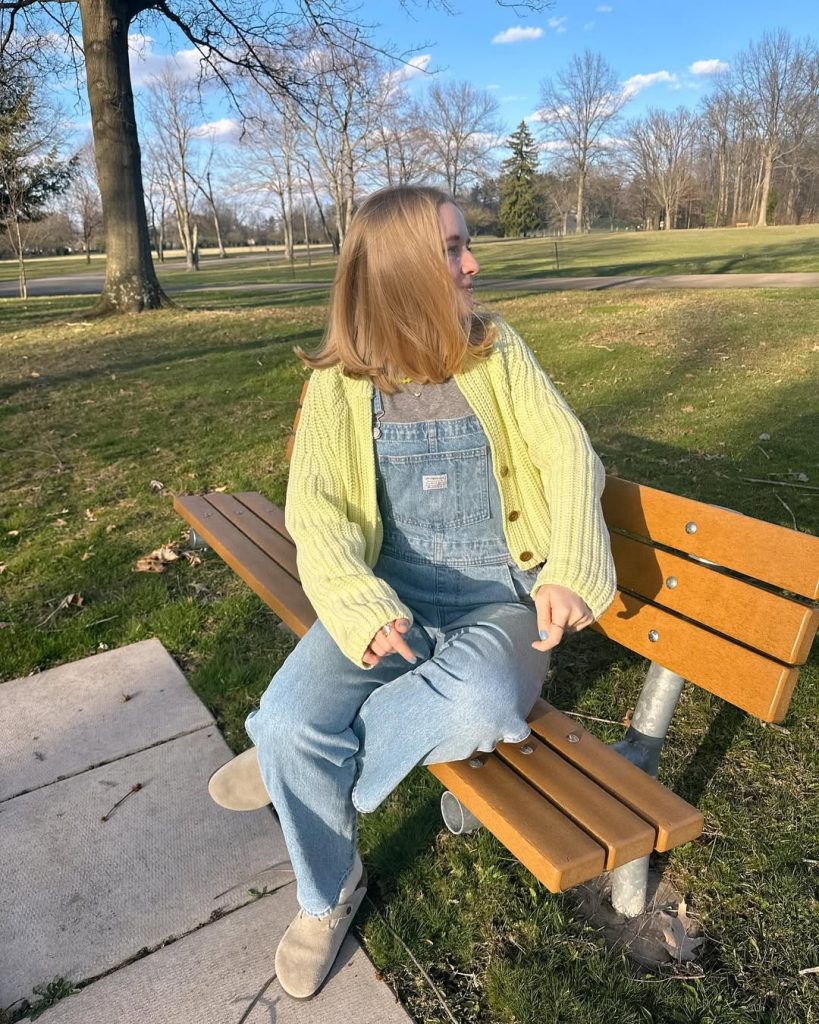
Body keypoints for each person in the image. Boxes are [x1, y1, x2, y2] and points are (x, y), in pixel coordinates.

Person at [208, 185, 617, 999]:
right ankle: (327, 892)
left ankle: (298, 769)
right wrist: (357, 604)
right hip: (387, 601)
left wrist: (569, 569)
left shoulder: (496, 351)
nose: (473, 264)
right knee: (287, 718)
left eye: (466, 245)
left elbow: (568, 454)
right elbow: (315, 509)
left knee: (477, 702)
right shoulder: (341, 382)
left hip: (498, 601)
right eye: (453, 250)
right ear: (400, 272)